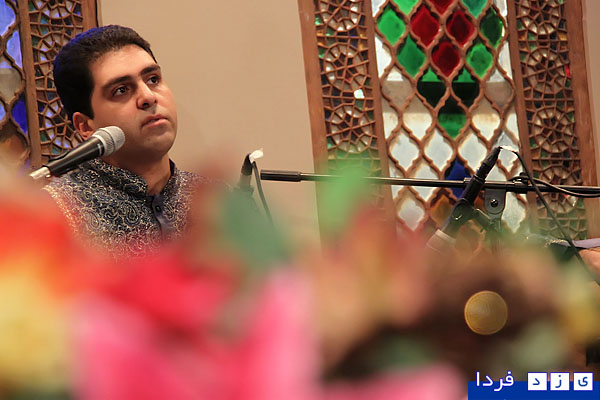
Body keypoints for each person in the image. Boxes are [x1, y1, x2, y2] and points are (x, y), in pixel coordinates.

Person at [44, 25, 205, 257]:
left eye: (153, 79)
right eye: (121, 90)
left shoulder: (220, 203)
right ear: (85, 126)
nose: (148, 97)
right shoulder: (56, 217)